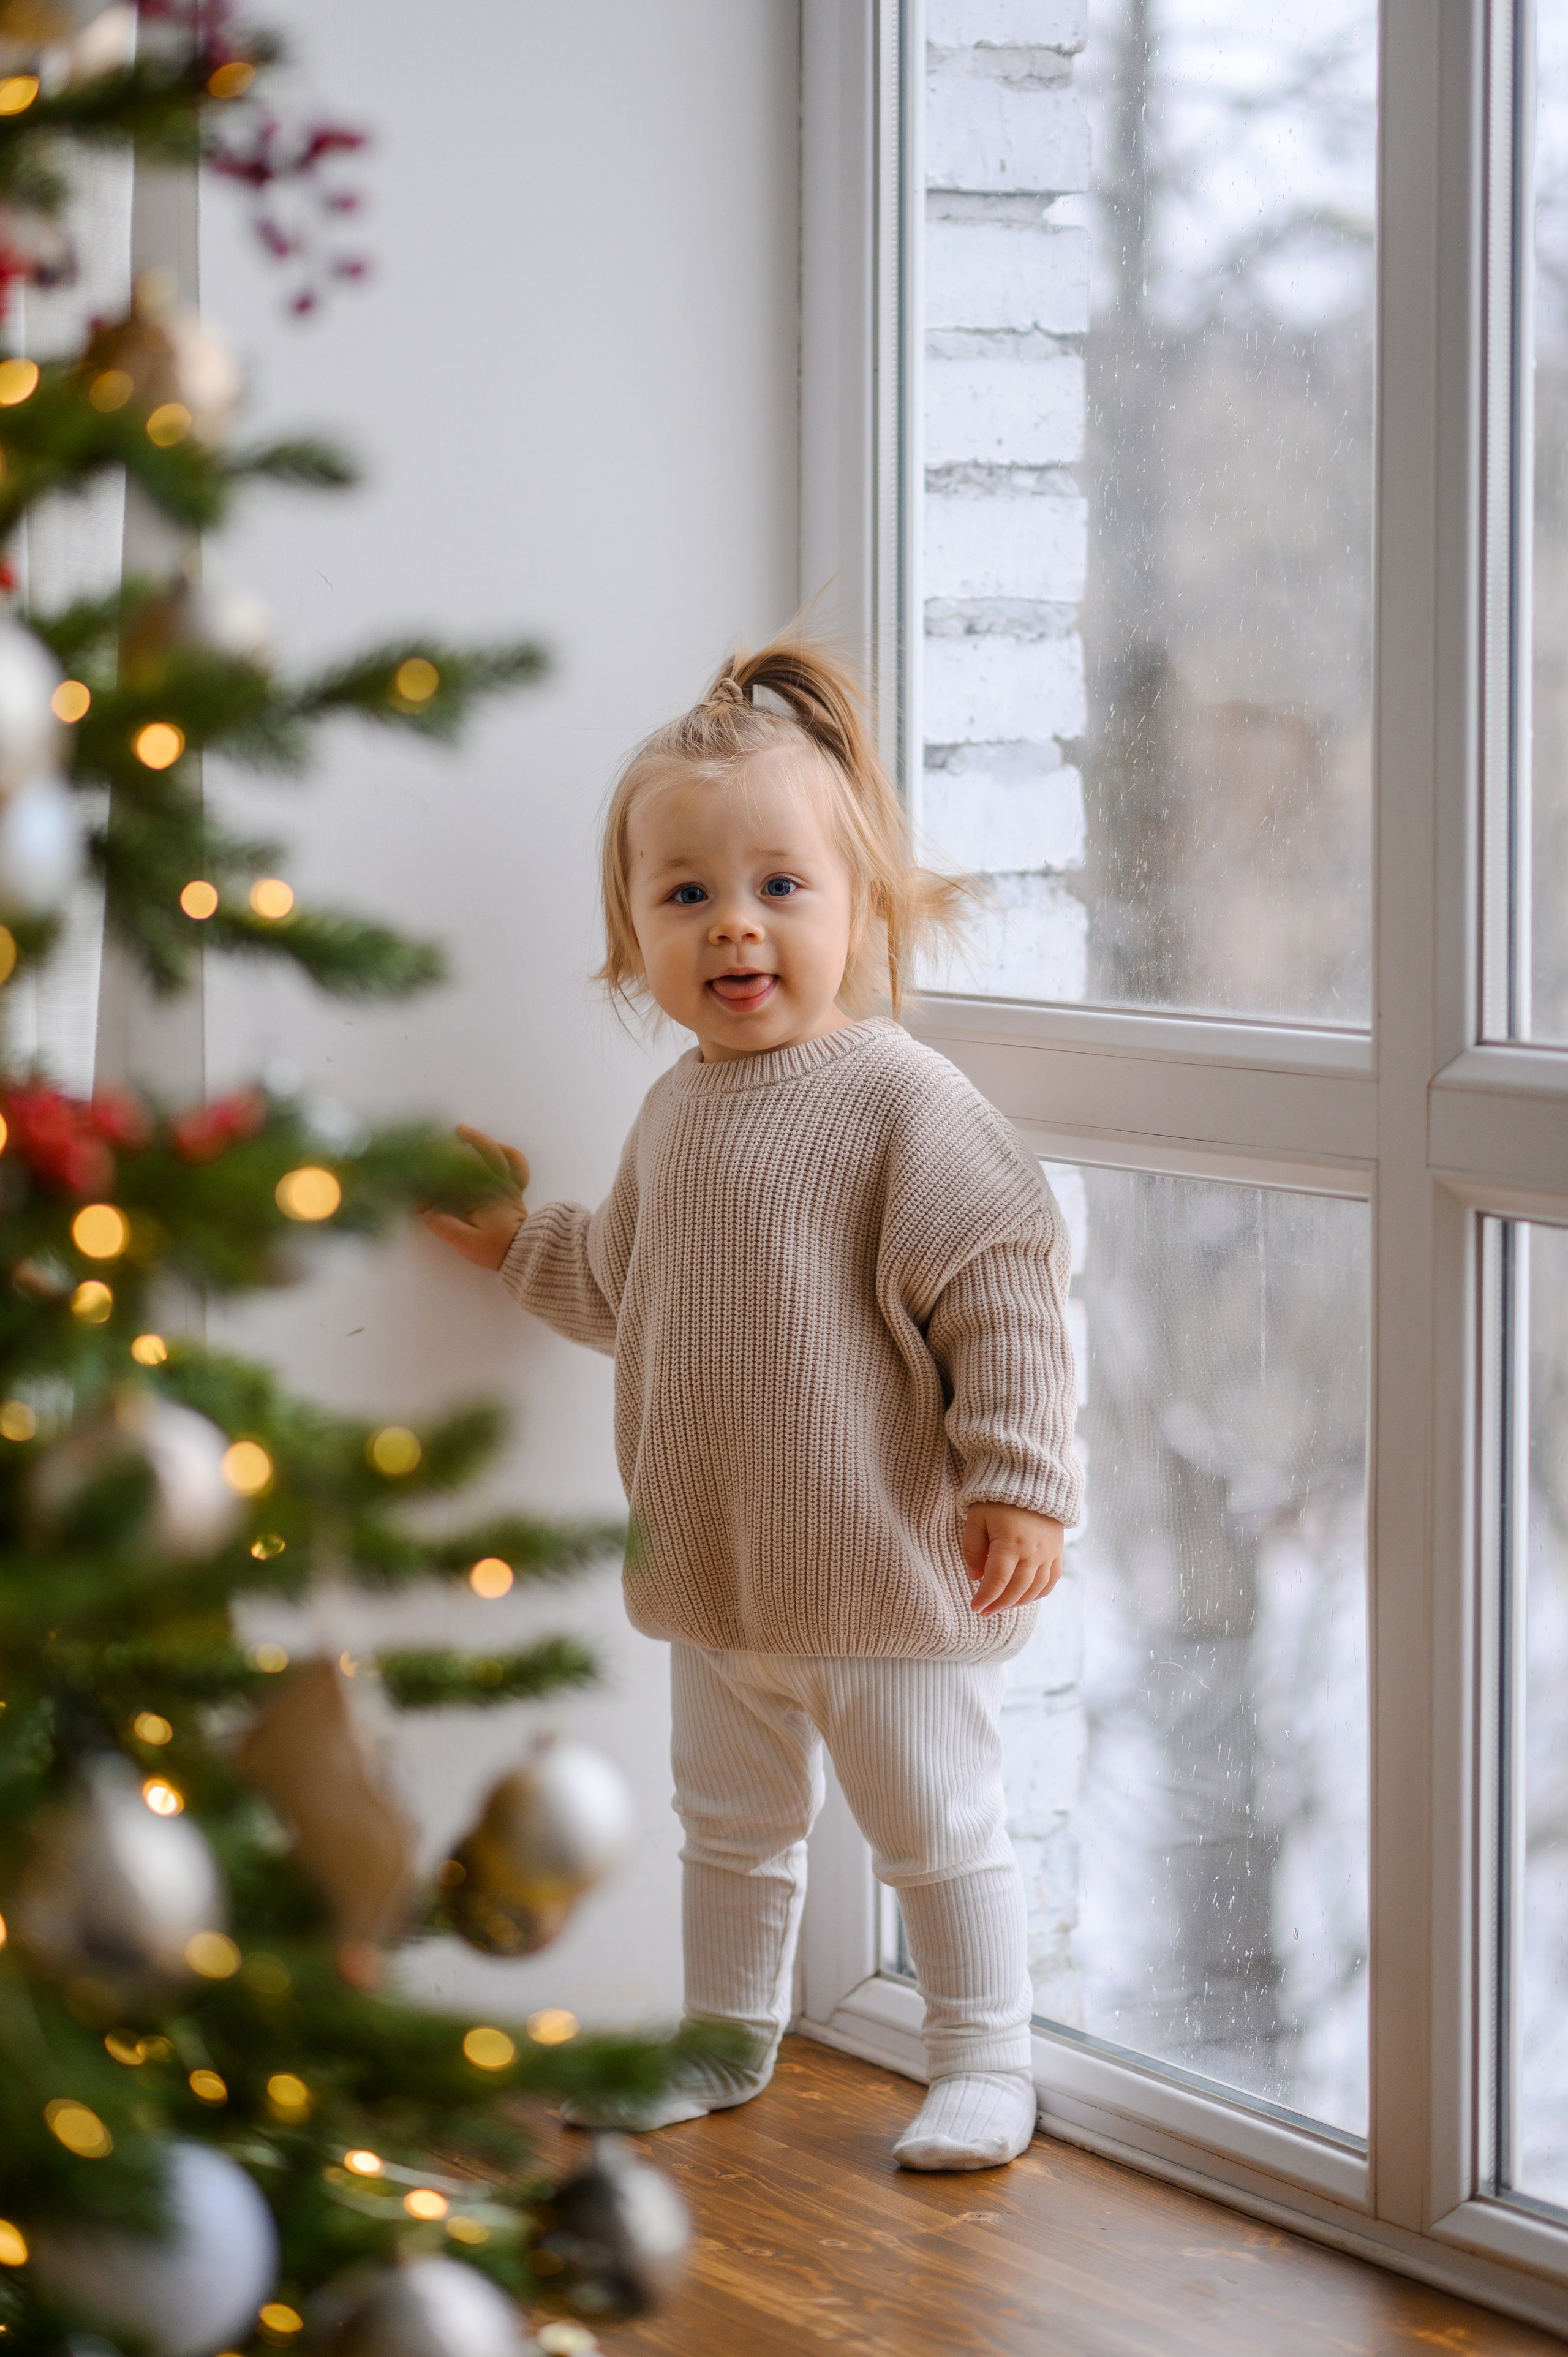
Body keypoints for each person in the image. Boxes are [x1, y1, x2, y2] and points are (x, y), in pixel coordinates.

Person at [423, 636, 1082, 2172]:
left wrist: (1021, 1480)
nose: (734, 927)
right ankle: (725, 2040)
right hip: (718, 1579)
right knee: (726, 1829)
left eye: (780, 887)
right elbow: (625, 1296)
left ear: (858, 909)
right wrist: (514, 1238)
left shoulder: (901, 1101)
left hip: (882, 1573)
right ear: (631, 934)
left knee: (936, 1831)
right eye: (686, 895)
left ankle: (986, 2055)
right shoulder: (673, 1114)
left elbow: (1003, 1279)